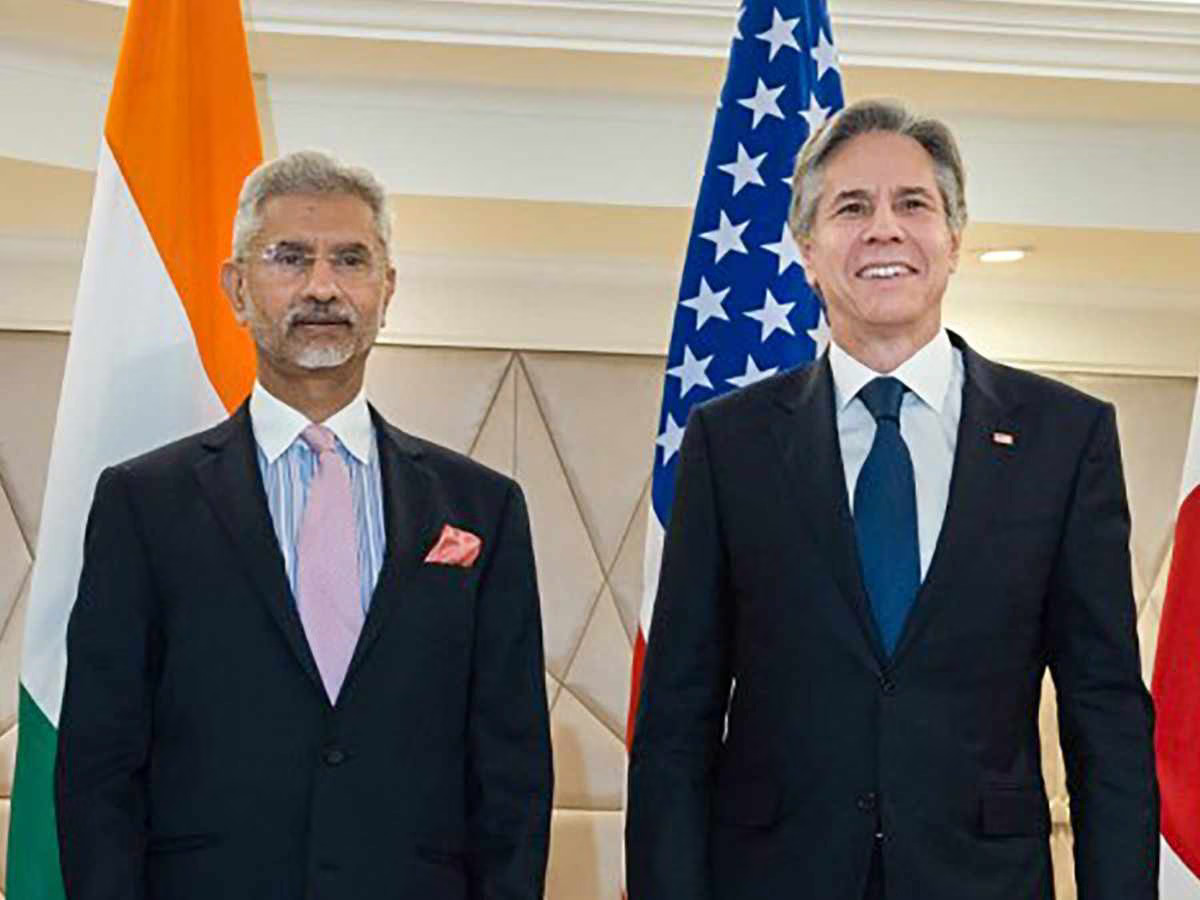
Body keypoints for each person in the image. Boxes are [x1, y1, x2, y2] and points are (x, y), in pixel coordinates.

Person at [626, 99, 1158, 900]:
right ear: (808, 250)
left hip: (983, 880)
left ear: (954, 240)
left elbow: (1105, 712)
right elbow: (676, 720)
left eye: (913, 204)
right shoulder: (729, 444)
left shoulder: (1063, 437)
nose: (884, 229)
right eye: (851, 207)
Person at [54, 151, 553, 899]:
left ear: (387, 291)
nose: (322, 286)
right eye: (289, 258)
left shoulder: (484, 509)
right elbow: (99, 766)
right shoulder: (144, 503)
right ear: (237, 289)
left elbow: (513, 775)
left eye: (350, 260)